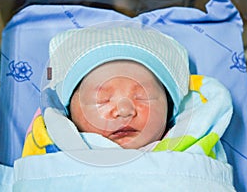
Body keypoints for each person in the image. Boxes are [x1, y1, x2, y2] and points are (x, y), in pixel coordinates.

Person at [22, 23, 233, 161]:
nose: (124, 111)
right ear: (69, 112)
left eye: (143, 97)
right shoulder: (54, 154)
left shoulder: (190, 151)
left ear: (170, 108)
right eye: (102, 100)